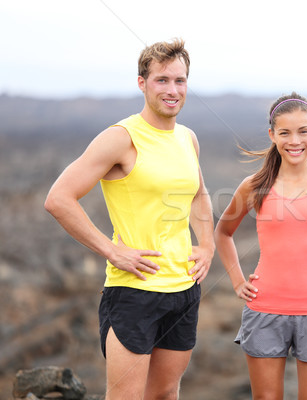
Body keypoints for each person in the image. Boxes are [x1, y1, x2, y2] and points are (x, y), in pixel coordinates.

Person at [44, 38, 214, 400]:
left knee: (166, 393)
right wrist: (112, 251)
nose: (173, 90)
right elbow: (59, 199)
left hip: (183, 290)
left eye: (180, 81)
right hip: (134, 292)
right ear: (142, 82)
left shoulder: (188, 139)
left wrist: (208, 245)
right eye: (162, 80)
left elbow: (199, 194)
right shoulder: (121, 138)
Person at [214, 92, 307, 399]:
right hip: (264, 310)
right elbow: (222, 233)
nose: (295, 140)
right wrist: (237, 280)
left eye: (303, 131)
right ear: (272, 135)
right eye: (285, 132)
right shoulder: (254, 186)